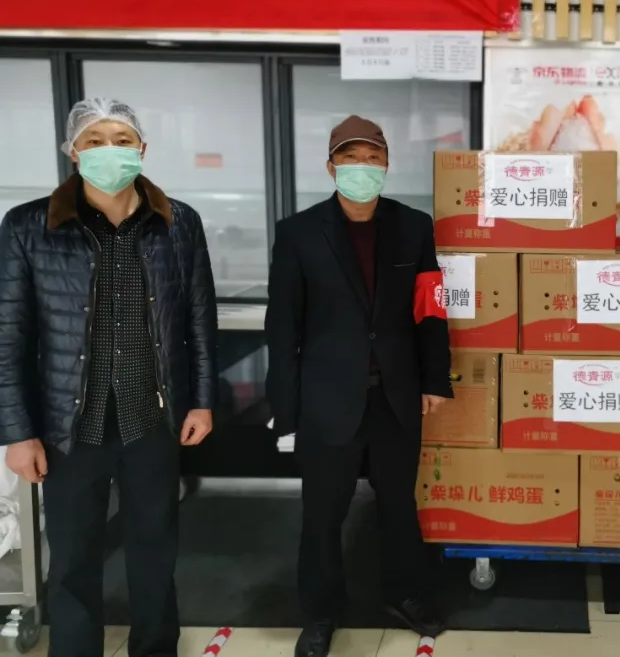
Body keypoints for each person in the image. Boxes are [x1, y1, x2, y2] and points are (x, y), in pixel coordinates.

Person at [0, 98, 217, 657]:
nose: (109, 151)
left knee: (155, 550)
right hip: (70, 425)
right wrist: (17, 432)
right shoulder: (28, 226)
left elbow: (199, 319)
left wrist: (202, 401)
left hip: (153, 416)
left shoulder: (178, 222)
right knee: (73, 558)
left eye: (122, 139)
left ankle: (155, 648)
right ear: (73, 152)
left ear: (142, 149)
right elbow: (7, 335)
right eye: (94, 140)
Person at [266, 116, 453, 657]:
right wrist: (286, 409)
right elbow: (283, 328)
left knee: (398, 503)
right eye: (351, 158)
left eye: (373, 158)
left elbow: (430, 310)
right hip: (327, 398)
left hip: (396, 394)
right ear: (331, 167)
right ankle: (320, 613)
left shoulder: (413, 226)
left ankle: (405, 593)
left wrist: (435, 380)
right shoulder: (299, 233)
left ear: (386, 164)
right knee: (324, 512)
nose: (362, 168)